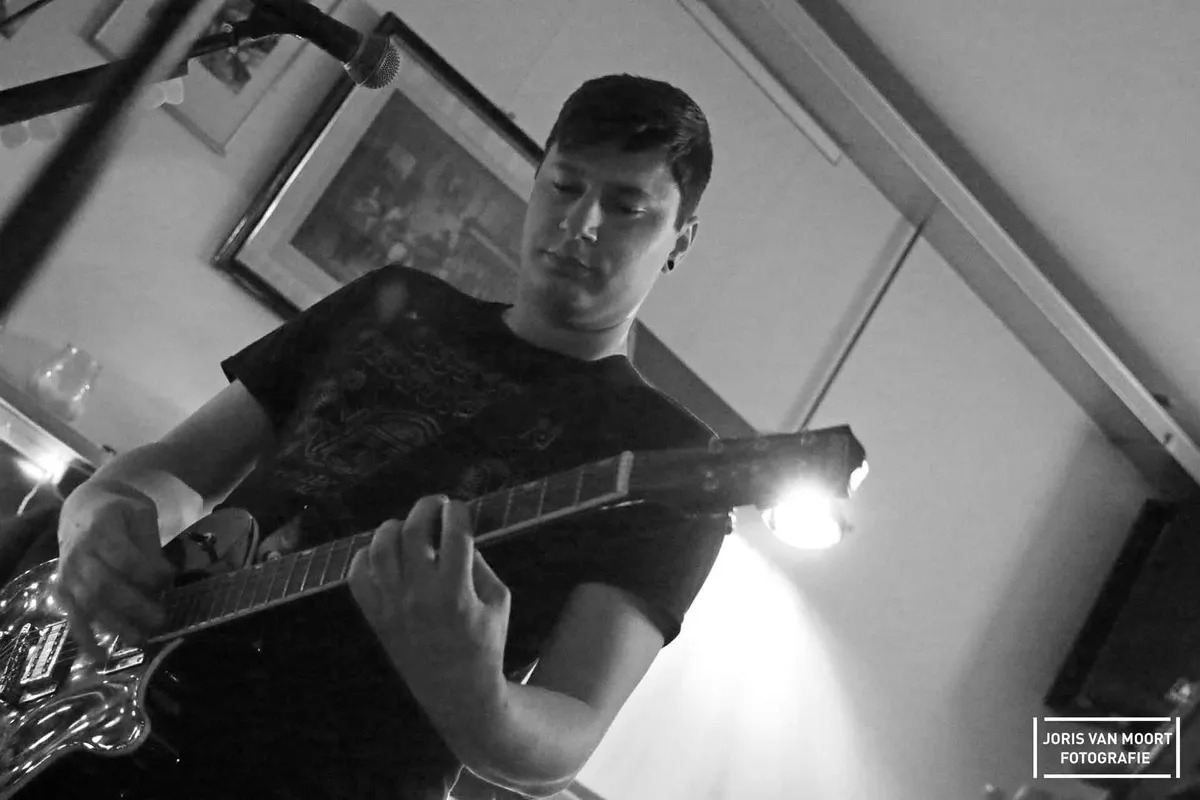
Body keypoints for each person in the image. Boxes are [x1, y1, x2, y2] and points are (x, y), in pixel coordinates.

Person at [46, 73, 729, 800]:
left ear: (680, 239)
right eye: (564, 186)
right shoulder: (389, 300)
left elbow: (567, 737)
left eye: (626, 207)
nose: (581, 222)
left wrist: (477, 693)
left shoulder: (667, 455)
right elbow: (176, 466)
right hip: (99, 723)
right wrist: (98, 514)